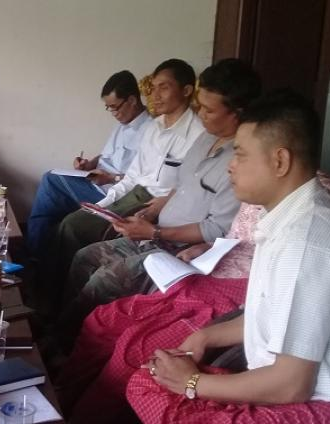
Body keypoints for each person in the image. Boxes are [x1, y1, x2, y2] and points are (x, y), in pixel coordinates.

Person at [126, 92, 330, 423]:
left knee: (161, 393)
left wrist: (192, 382)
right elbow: (271, 317)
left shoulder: (307, 240)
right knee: (148, 381)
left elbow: (291, 385)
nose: (231, 165)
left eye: (240, 154)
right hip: (303, 388)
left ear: (280, 161)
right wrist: (206, 336)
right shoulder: (290, 217)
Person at [50, 58, 261, 355]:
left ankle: (66, 350)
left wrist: (155, 232)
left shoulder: (240, 162)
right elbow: (179, 186)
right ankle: (63, 334)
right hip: (157, 230)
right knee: (83, 258)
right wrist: (150, 214)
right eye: (200, 106)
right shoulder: (205, 139)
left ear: (238, 112)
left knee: (101, 282)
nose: (200, 114)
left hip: (178, 248)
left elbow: (216, 229)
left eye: (209, 110)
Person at [42, 59, 205, 311]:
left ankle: (57, 302)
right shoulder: (154, 127)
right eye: (153, 87)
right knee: (74, 221)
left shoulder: (199, 134)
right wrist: (102, 205)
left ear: (186, 90)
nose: (155, 95)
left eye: (164, 87)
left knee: (73, 227)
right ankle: (53, 295)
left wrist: (157, 207)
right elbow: (132, 176)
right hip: (134, 193)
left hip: (156, 202)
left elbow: (187, 188)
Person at [26, 70, 151, 257]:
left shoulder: (151, 130)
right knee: (50, 184)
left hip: (113, 192)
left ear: (132, 100)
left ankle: (35, 251)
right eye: (108, 108)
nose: (113, 113)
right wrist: (89, 164)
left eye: (115, 107)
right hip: (97, 181)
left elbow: (144, 179)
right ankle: (37, 248)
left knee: (50, 182)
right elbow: (108, 156)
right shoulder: (122, 124)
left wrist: (111, 178)